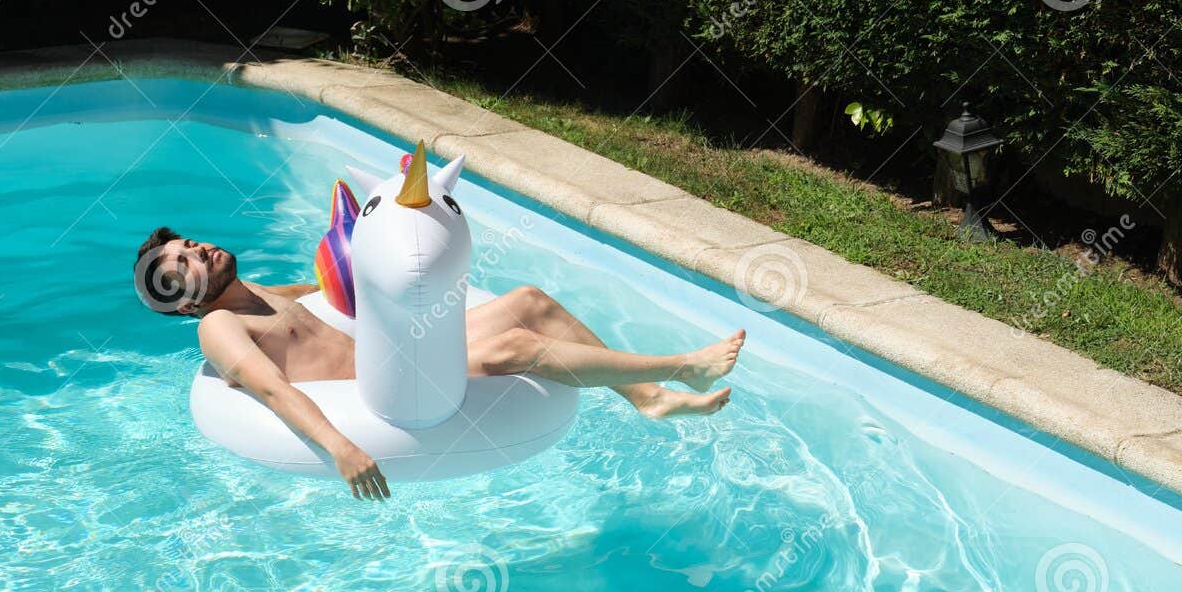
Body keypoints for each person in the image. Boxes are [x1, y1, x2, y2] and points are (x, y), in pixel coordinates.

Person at [135, 228, 745, 500]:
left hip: (394, 356)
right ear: (186, 302)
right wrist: (342, 448)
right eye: (182, 266)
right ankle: (682, 367)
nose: (195, 251)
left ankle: (648, 398)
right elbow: (269, 389)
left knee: (528, 302)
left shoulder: (260, 291)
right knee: (515, 349)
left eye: (188, 244)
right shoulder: (219, 324)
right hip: (381, 390)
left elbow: (335, 287)